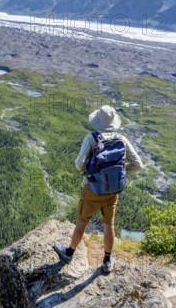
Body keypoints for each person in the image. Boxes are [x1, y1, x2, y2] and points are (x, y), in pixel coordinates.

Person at [53, 105, 144, 273]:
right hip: (113, 190)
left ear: (98, 122)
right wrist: (121, 172)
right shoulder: (122, 139)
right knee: (109, 224)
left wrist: (93, 170)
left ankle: (69, 253)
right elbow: (138, 165)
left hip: (93, 189)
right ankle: (107, 260)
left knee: (82, 221)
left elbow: (79, 164)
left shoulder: (92, 138)